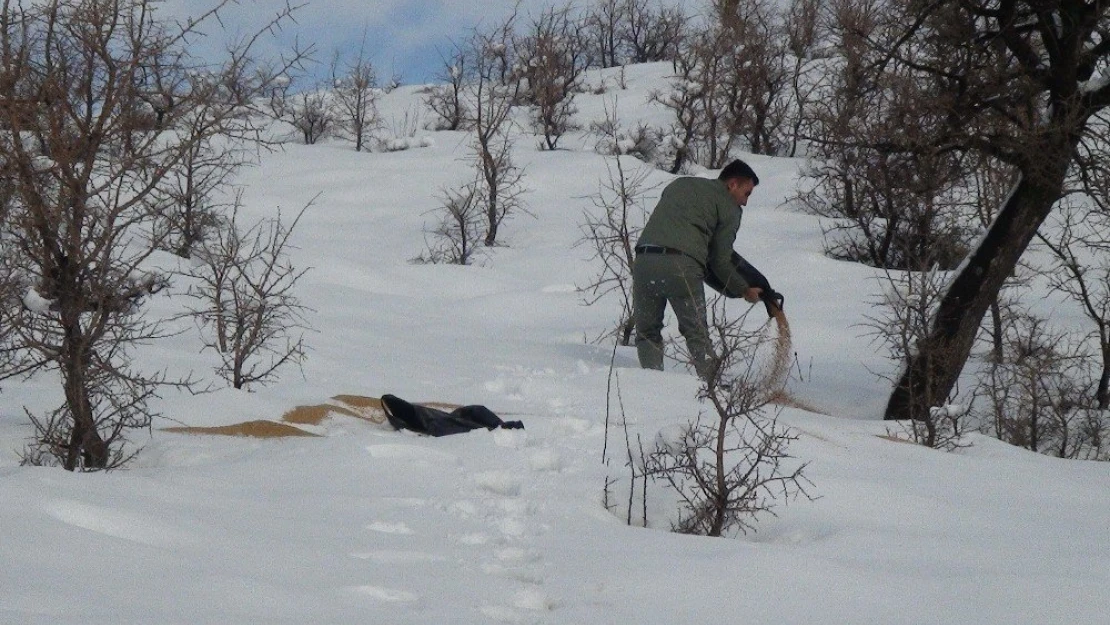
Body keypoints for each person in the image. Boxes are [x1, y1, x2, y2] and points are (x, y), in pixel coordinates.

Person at [632, 159, 761, 379]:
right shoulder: (730, 208)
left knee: (647, 333)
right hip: (681, 267)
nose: (745, 202)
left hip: (644, 261)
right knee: (697, 333)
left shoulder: (679, 184)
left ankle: (651, 382)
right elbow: (720, 260)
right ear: (732, 184)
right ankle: (711, 386)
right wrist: (744, 289)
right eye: (746, 194)